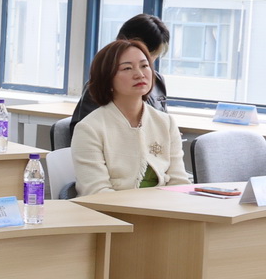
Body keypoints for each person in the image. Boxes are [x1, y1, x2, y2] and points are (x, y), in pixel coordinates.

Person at [72, 38, 189, 197]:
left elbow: (179, 182)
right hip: (112, 210)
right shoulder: (89, 128)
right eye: (127, 68)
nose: (140, 74)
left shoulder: (166, 123)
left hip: (163, 208)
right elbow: (96, 192)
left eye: (144, 66)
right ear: (107, 78)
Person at [69, 13, 171, 136]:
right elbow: (87, 133)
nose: (140, 74)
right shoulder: (101, 85)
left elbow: (162, 122)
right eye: (127, 67)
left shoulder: (157, 80)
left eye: (154, 56)